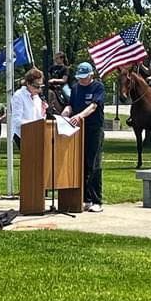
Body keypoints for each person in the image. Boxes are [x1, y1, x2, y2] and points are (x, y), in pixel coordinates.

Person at [62, 62, 105, 213]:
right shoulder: (75, 88)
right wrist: (67, 111)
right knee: (81, 165)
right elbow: (70, 104)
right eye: (79, 78)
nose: (81, 81)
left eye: (84, 78)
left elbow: (93, 106)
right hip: (78, 130)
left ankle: (97, 200)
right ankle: (85, 199)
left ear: (91, 75)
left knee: (93, 164)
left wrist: (80, 116)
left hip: (94, 130)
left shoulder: (98, 87)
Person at [10, 68, 47, 148]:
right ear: (28, 83)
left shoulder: (37, 97)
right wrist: (35, 124)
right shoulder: (18, 96)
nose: (39, 90)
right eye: (36, 86)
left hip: (36, 134)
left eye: (41, 86)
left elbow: (39, 118)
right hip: (22, 135)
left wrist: (43, 113)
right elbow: (17, 121)